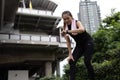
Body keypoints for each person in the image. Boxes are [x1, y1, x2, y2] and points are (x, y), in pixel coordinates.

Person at [61, 11, 95, 80]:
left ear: (71, 17)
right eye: (64, 19)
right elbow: (68, 41)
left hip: (88, 42)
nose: (66, 20)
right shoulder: (65, 26)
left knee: (87, 61)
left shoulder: (77, 22)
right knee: (71, 61)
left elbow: (82, 29)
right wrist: (70, 54)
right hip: (79, 45)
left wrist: (68, 31)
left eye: (68, 18)